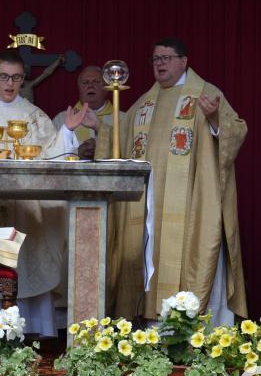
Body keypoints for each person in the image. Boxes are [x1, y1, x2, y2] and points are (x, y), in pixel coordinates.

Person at [85, 37, 248, 326]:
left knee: (193, 255)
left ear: (183, 61)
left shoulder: (206, 94)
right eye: (155, 59)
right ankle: (150, 324)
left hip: (191, 202)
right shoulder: (144, 104)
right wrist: (100, 128)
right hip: (150, 207)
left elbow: (235, 131)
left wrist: (214, 119)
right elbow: (121, 143)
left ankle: (195, 328)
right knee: (151, 257)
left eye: (166, 58)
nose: (159, 64)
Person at [0, 50, 85, 336]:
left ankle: (30, 332)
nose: (9, 83)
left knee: (25, 264)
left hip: (25, 214)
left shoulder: (35, 118)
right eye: (4, 76)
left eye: (16, 77)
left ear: (23, 79)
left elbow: (53, 159)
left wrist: (66, 133)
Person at [52, 65, 124, 159]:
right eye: (85, 82)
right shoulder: (62, 119)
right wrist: (76, 153)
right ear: (79, 88)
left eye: (96, 81)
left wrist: (101, 147)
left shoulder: (123, 118)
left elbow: (128, 150)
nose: (90, 86)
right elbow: (51, 154)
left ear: (106, 87)